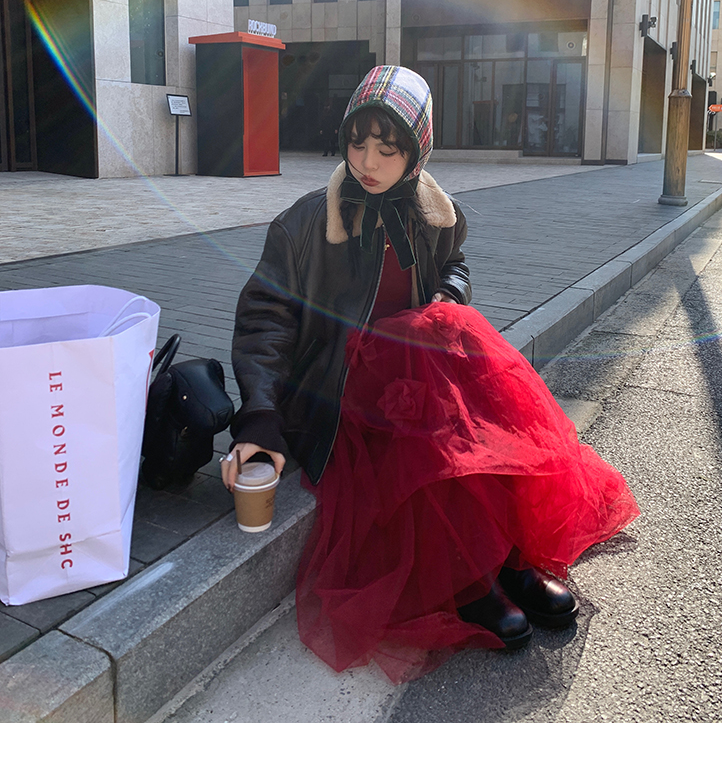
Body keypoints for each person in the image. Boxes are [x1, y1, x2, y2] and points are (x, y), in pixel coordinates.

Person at [222, 65, 639, 683]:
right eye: (357, 143)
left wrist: (448, 295)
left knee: (485, 422)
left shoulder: (434, 213)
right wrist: (259, 415)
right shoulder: (305, 223)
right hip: (340, 389)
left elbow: (456, 265)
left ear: (416, 154)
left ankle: (510, 560)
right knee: (431, 445)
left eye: (387, 149)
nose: (368, 162)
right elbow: (266, 320)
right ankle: (471, 579)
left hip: (417, 369)